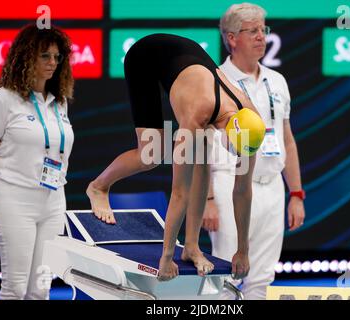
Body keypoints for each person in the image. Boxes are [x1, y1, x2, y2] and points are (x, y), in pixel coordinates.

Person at [86, 33, 266, 281]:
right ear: (229, 132)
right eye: (236, 149)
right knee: (151, 154)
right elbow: (180, 191)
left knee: (203, 157)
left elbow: (243, 191)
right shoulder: (196, 115)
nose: (237, 156)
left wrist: (243, 251)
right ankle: (98, 187)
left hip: (188, 60)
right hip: (147, 57)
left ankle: (192, 247)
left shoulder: (251, 119)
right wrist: (167, 257)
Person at [201, 3, 306, 299]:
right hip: (228, 185)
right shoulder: (215, 81)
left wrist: (296, 194)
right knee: (227, 275)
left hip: (272, 188)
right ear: (232, 38)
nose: (262, 36)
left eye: (264, 29)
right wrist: (208, 198)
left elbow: (287, 140)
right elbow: (204, 142)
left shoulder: (277, 81)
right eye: (253, 31)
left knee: (261, 279)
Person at [0, 24, 74, 299]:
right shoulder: (3, 100)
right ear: (26, 57)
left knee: (41, 288)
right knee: (15, 288)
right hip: (14, 201)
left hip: (53, 202)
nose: (52, 62)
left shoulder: (59, 102)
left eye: (56, 56)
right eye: (45, 56)